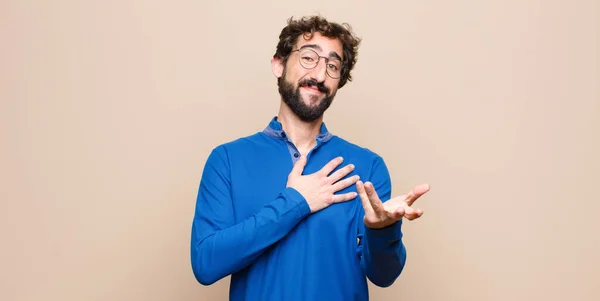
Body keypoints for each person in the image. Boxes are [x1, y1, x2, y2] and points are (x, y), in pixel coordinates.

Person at [190, 15, 430, 301]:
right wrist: (295, 202)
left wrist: (382, 231)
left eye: (332, 65)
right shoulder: (227, 160)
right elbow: (206, 264)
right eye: (308, 58)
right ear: (278, 65)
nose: (319, 75)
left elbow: (384, 276)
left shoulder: (367, 166)